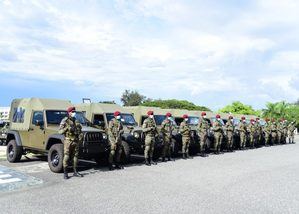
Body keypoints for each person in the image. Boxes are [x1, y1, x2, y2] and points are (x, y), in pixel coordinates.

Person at [59, 107, 83, 179]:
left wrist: (80, 137)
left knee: (75, 156)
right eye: (72, 112)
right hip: (68, 141)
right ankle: (65, 173)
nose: (74, 113)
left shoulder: (76, 121)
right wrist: (67, 128)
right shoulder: (65, 120)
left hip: (76, 141)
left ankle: (75, 171)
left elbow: (80, 131)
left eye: (74, 111)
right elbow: (59, 131)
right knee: (66, 156)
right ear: (69, 112)